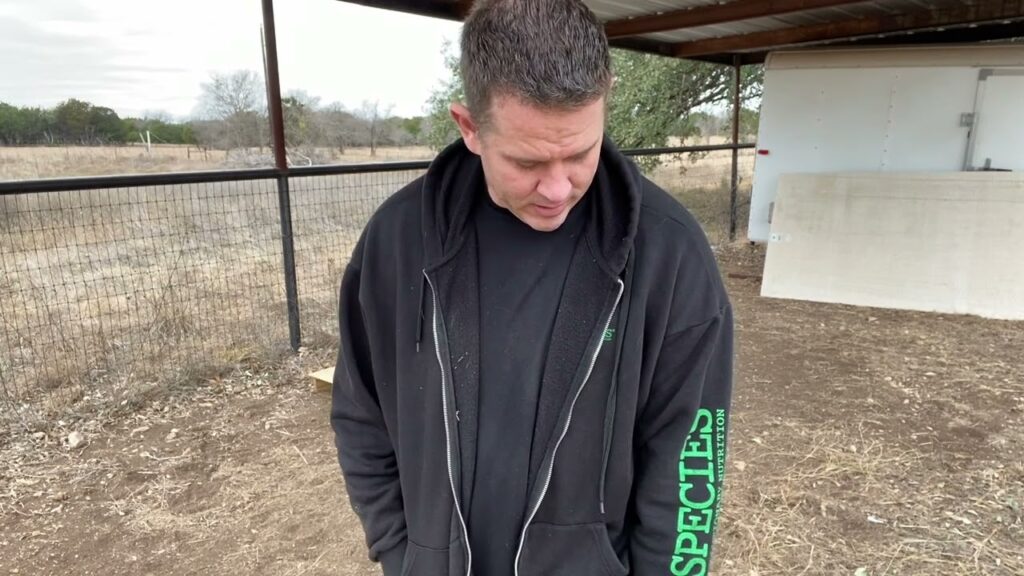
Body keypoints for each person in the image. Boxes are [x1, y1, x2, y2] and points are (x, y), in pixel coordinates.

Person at [330, 1, 733, 575]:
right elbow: (360, 415)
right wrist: (401, 552)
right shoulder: (397, 242)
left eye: (580, 153)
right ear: (470, 127)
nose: (558, 188)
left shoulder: (669, 253)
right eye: (527, 162)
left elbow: (689, 462)